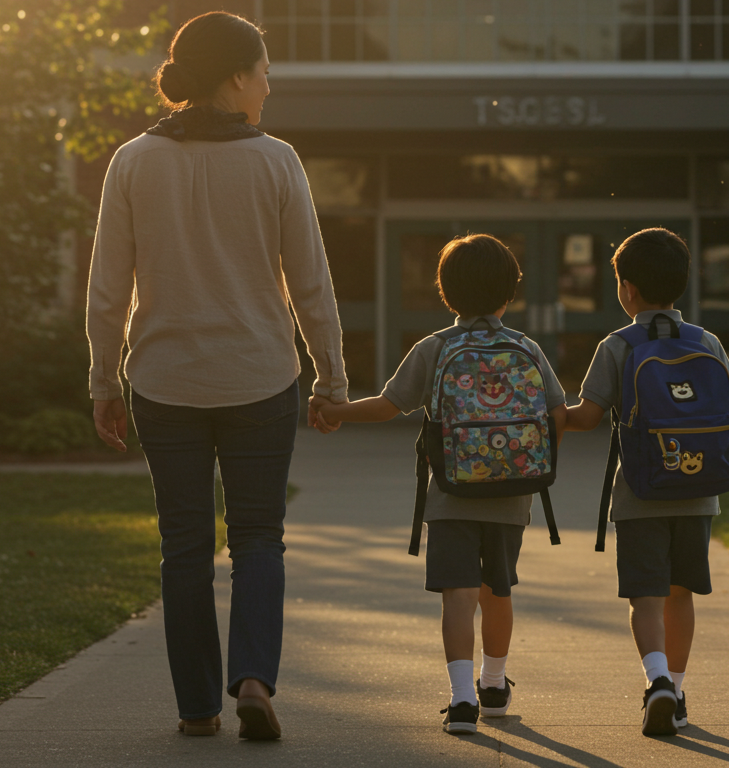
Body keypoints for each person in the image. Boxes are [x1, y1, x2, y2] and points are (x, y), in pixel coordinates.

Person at [86, 11, 346, 741]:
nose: (270, 83)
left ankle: (197, 705)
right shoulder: (277, 161)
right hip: (260, 376)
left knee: (185, 544)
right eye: (264, 69)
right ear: (235, 76)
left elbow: (107, 290)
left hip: (164, 381)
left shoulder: (132, 160)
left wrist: (104, 381)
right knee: (260, 535)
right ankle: (255, 680)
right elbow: (312, 284)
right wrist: (332, 379)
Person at [315, 234, 567, 736]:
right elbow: (557, 417)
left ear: (445, 291)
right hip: (511, 493)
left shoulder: (435, 347)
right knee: (498, 590)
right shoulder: (526, 347)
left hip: (451, 493)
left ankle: (460, 700)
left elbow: (389, 405)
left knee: (458, 593)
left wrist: (335, 411)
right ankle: (493, 685)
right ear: (509, 293)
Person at [563, 228, 729, 737]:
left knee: (645, 595)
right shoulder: (706, 342)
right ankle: (679, 693)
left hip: (640, 493)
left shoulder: (618, 345)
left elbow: (587, 418)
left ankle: (657, 679)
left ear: (627, 289)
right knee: (680, 594)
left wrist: (550, 416)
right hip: (699, 493)